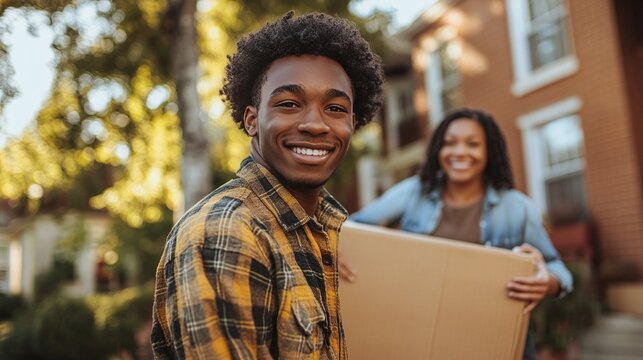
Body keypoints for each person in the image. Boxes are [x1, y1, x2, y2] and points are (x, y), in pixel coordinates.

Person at [150, 11, 383, 359]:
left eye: (335, 108)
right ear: (252, 120)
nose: (315, 125)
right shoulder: (226, 232)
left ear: (352, 122)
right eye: (289, 104)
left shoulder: (322, 232)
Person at [348, 108, 572, 360]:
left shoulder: (517, 207)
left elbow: (557, 268)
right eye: (450, 143)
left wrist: (547, 282)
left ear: (489, 151)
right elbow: (352, 227)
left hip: (491, 340)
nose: (459, 152)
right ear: (438, 150)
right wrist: (341, 252)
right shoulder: (415, 192)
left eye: (473, 144)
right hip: (419, 334)